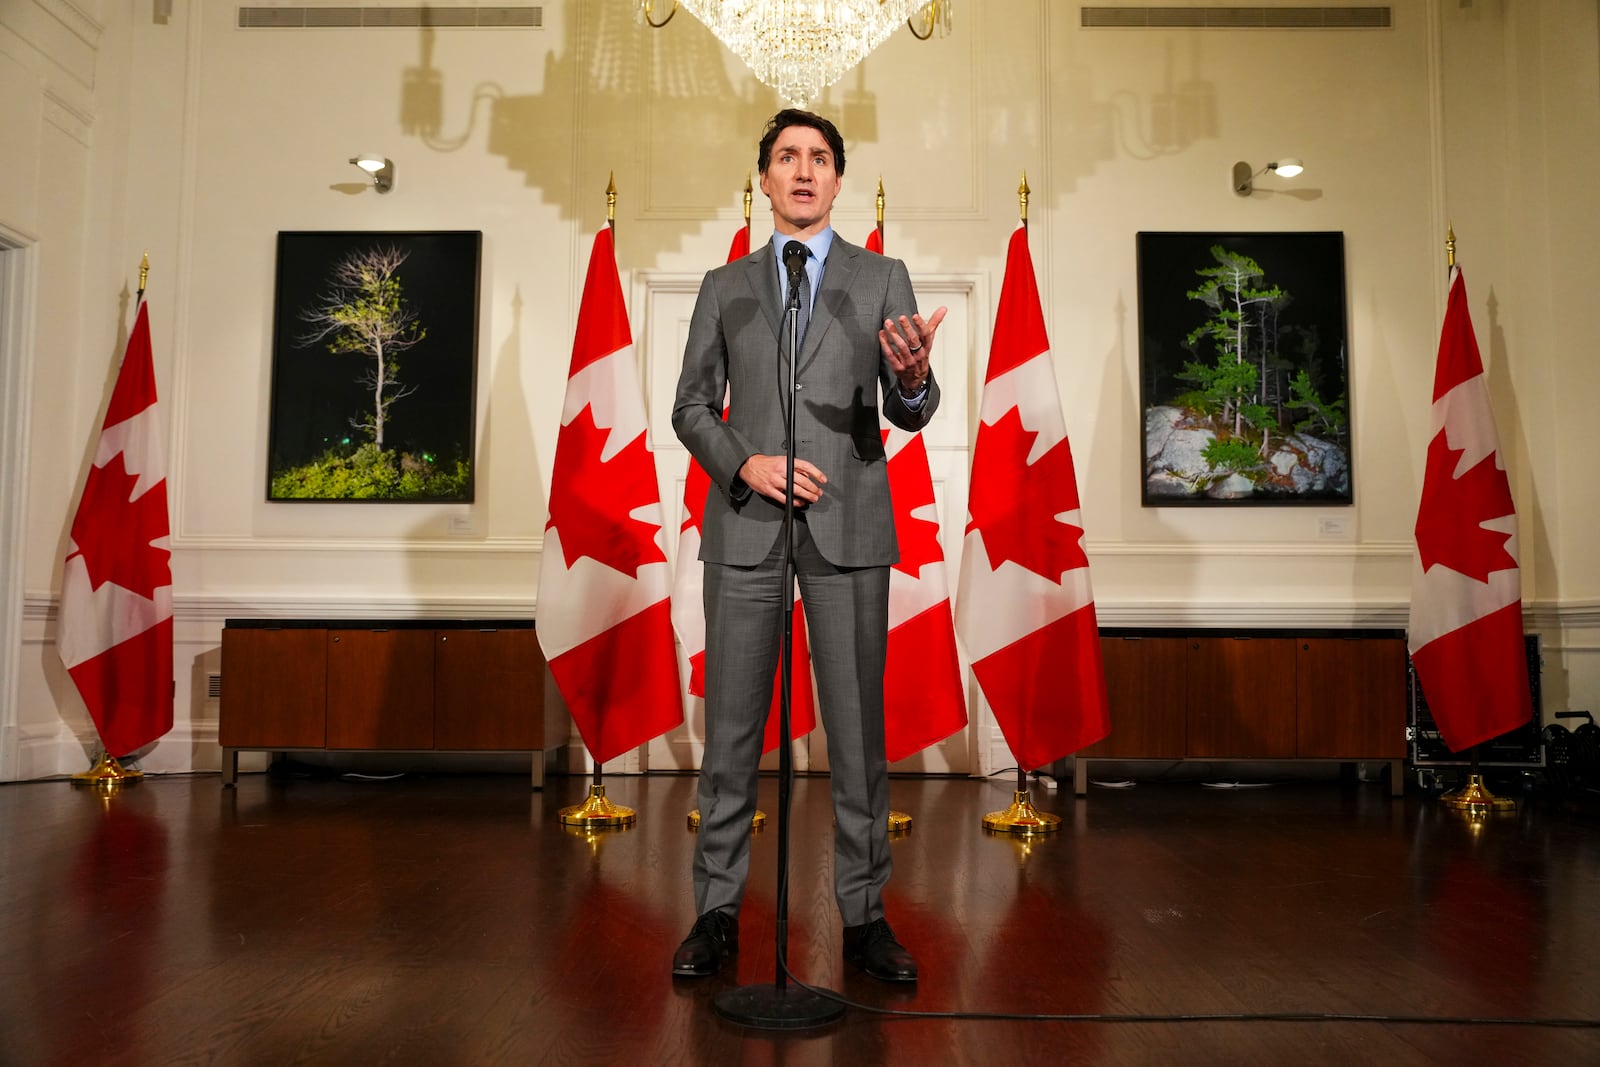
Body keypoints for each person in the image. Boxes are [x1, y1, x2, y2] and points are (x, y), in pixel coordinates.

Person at [670, 109, 946, 984]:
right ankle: (716, 912)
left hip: (849, 524)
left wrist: (912, 380)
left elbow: (910, 408)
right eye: (786, 157)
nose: (802, 171)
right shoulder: (725, 286)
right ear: (764, 179)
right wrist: (742, 460)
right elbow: (689, 407)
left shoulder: (882, 276)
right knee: (732, 738)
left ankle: (864, 917)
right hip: (748, 525)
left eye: (818, 159)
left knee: (859, 736)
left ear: (836, 180)